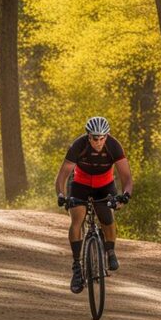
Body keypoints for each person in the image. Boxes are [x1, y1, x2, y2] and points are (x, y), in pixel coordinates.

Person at [54, 116, 133, 293]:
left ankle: (110, 251)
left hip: (105, 185)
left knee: (107, 215)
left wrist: (125, 195)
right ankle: (77, 267)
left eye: (102, 138)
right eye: (94, 138)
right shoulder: (78, 146)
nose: (98, 142)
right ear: (88, 136)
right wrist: (61, 195)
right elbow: (62, 176)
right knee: (77, 219)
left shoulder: (114, 146)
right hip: (80, 184)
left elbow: (126, 177)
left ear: (107, 136)